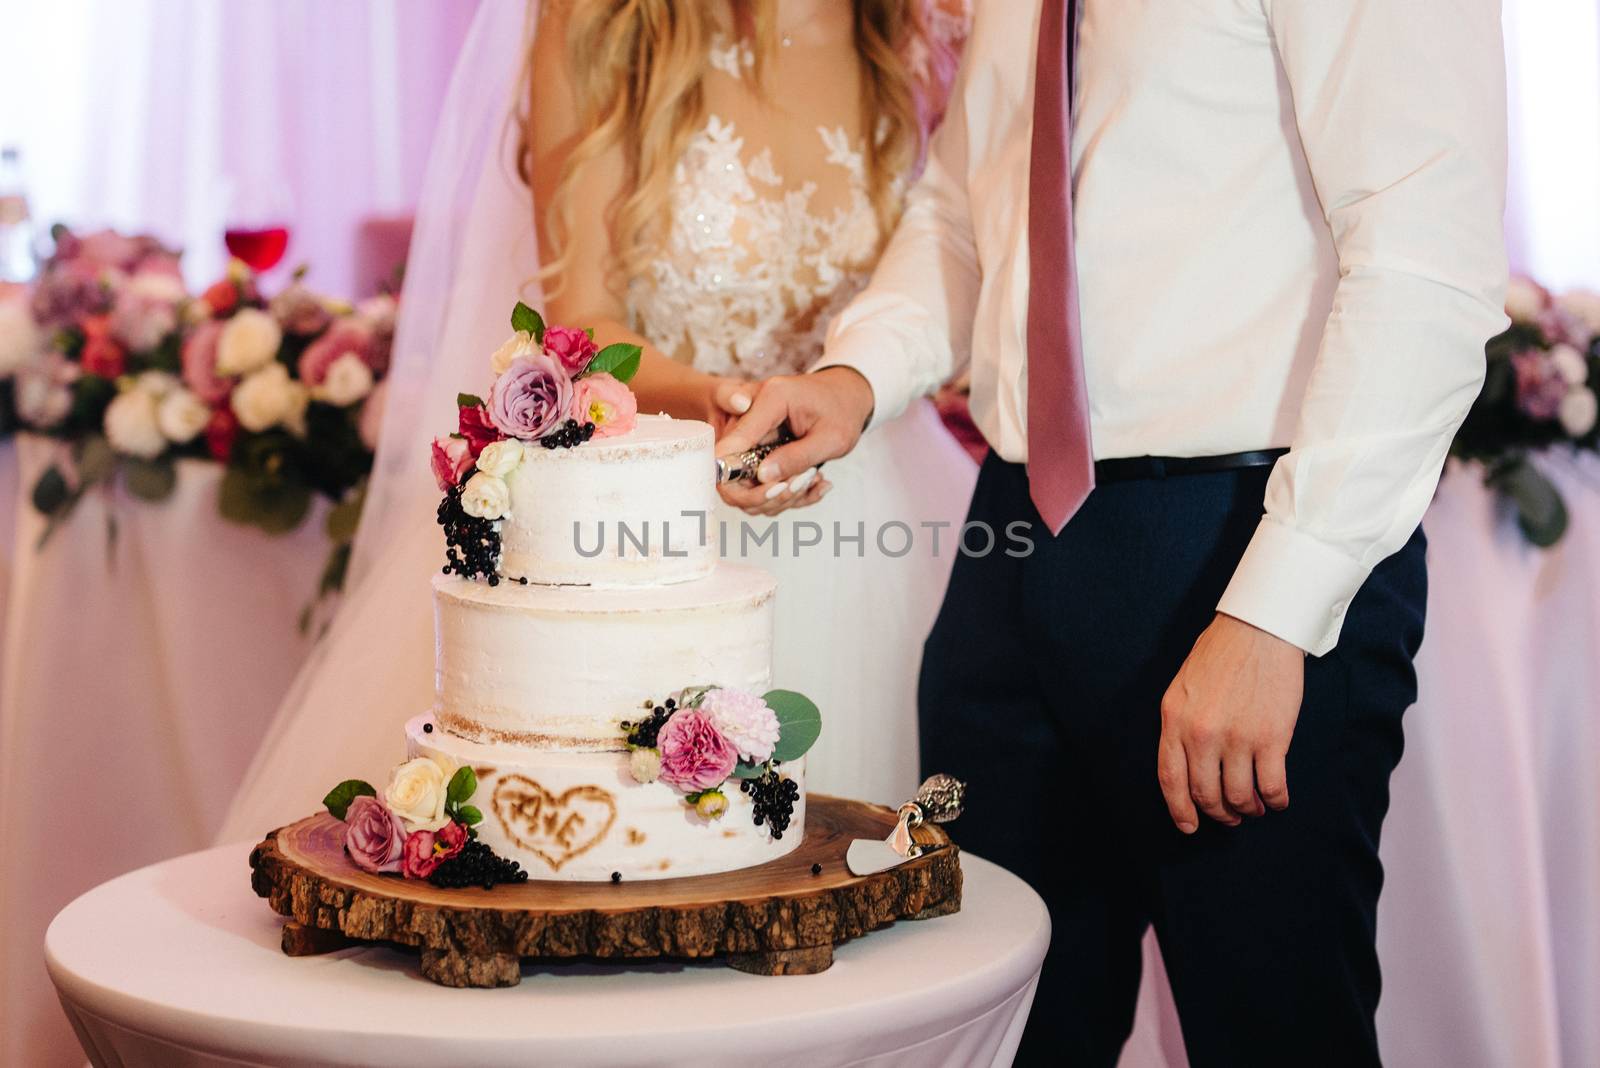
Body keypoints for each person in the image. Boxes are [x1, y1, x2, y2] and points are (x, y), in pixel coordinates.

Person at [717, 1, 1510, 1064]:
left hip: (1241, 543)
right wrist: (855, 375)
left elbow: (1427, 271)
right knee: (1003, 1019)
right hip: (1011, 544)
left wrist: (1273, 611)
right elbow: (962, 210)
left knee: (1270, 1023)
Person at [220, 0, 975, 843]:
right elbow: (584, 320)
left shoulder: (914, 30)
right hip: (658, 504)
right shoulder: (603, 21)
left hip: (890, 506)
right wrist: (726, 405)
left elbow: (960, 251)